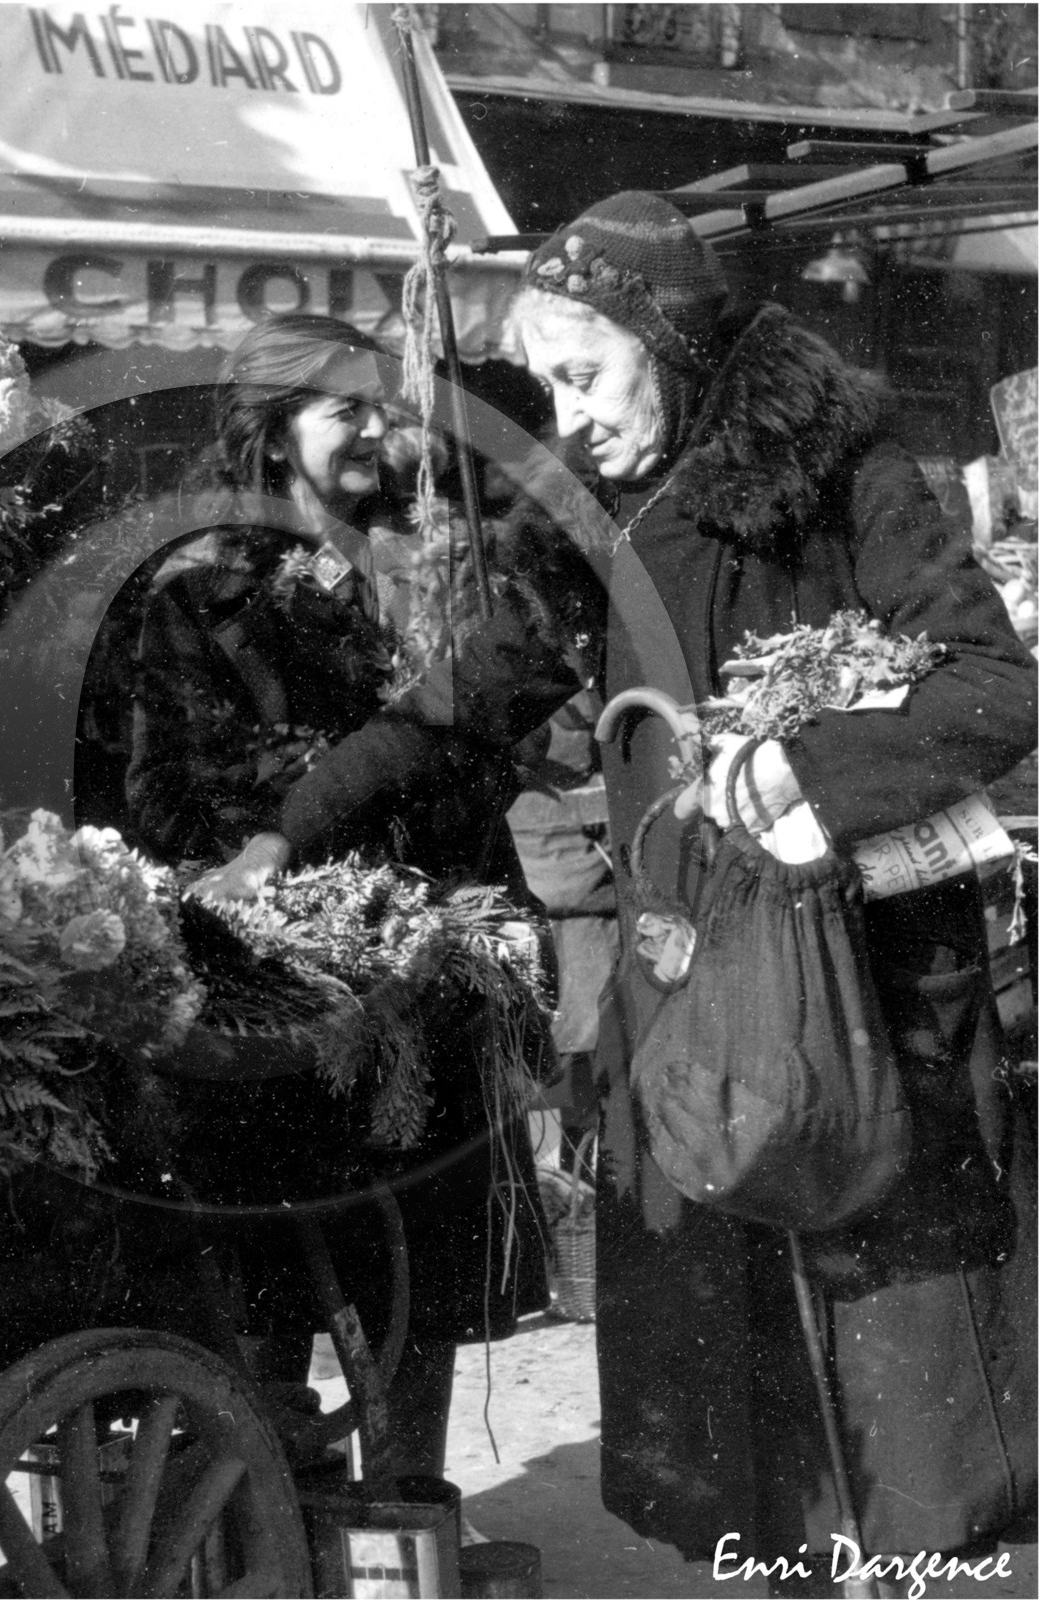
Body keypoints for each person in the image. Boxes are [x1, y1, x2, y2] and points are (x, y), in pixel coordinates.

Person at [287, 192, 1037, 1587]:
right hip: (694, 1004)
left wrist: (809, 769)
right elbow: (471, 703)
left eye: (586, 375)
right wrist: (297, 826)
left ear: (671, 338)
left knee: (892, 1386)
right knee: (743, 1396)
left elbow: (997, 682)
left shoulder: (841, 471)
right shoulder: (591, 514)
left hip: (857, 997)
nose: (566, 418)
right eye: (547, 387)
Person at [122, 312, 568, 1480]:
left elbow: (484, 724)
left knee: (418, 1274)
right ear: (272, 439)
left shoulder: (432, 555)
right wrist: (291, 848)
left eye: (383, 406)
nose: (377, 433)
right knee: (278, 1276)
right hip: (289, 966)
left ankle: (409, 1507)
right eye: (343, 412)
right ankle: (277, 1509)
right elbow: (169, 782)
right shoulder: (206, 585)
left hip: (436, 954)